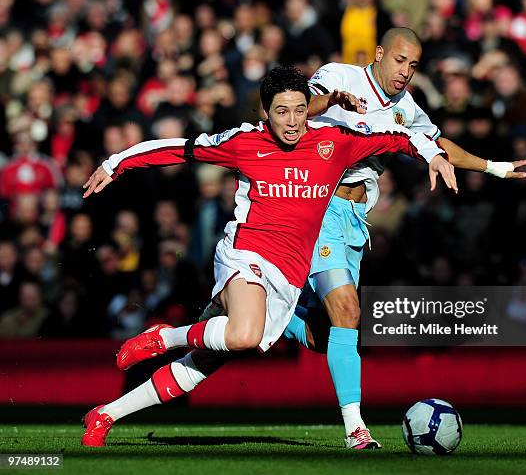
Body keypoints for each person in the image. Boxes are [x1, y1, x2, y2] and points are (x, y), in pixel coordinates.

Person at [80, 65, 457, 447]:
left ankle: (106, 414)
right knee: (244, 335)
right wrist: (117, 162)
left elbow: (399, 137)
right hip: (245, 256)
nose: (292, 122)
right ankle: (165, 337)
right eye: (281, 111)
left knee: (206, 362)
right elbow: (182, 148)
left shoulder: (335, 142)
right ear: (265, 111)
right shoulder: (245, 142)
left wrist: (434, 155)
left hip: (289, 277)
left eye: (299, 110)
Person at [276, 27, 526, 448]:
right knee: (347, 310)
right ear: (379, 53)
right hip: (317, 206)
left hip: (356, 217)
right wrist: (333, 100)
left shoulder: (406, 108)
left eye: (412, 66)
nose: (405, 72)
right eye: (399, 61)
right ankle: (356, 429)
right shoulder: (339, 76)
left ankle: (282, 316)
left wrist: (494, 168)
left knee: (328, 333)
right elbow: (303, 106)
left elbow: (438, 143)